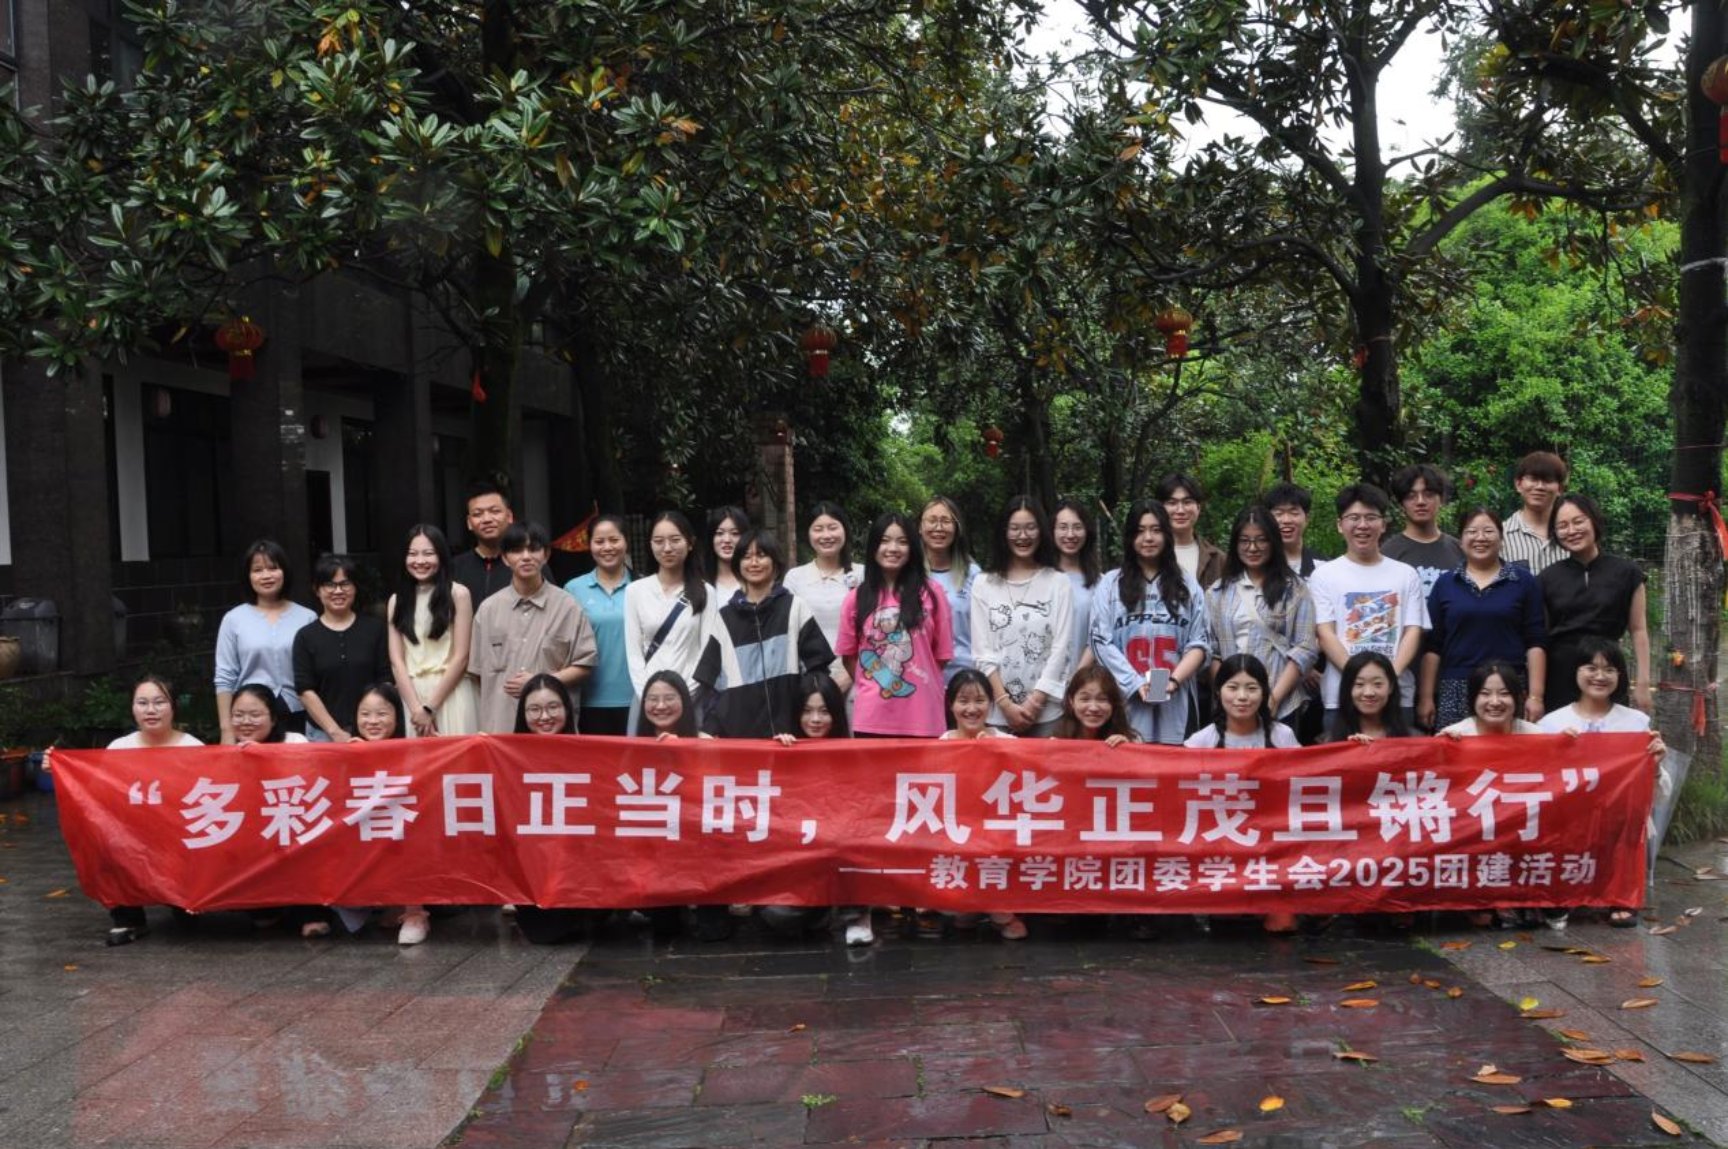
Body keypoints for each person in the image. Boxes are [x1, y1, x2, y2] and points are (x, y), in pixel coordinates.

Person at [1538, 638, 1668, 928]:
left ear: (1619, 675)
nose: (1599, 676)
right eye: (1591, 667)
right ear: (1575, 671)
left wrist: (1656, 765)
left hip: (1618, 822)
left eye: (1609, 669)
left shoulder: (1636, 722)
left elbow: (1655, 794)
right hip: (1569, 822)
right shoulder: (1551, 723)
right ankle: (1561, 893)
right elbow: (1537, 782)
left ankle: (1620, 896)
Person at [1309, 484, 1428, 735]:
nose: (1362, 525)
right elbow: (1325, 633)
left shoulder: (1405, 574)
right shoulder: (1323, 575)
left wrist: (1387, 678)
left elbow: (1413, 631)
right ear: (1340, 525)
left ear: (1383, 524)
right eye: (1354, 518)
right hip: (1342, 697)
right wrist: (1360, 679)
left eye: (1371, 517)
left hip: (1397, 696)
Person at [1090, 500, 1211, 745]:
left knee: (1177, 765)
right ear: (1130, 537)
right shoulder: (1110, 584)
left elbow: (1200, 642)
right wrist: (1134, 683)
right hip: (1125, 700)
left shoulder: (1187, 585)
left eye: (1156, 530)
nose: (1148, 538)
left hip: (1178, 704)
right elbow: (1100, 641)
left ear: (1167, 534)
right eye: (1140, 531)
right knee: (1128, 763)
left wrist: (1173, 681)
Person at [695, 529, 835, 738]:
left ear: (775, 562)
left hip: (791, 735)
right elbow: (710, 684)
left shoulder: (794, 608)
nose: (754, 563)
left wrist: (806, 719)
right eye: (746, 557)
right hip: (742, 737)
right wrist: (710, 729)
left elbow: (818, 670)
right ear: (738, 564)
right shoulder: (725, 618)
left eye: (761, 555)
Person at [1418, 507, 1547, 731]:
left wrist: (1536, 696)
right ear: (1461, 541)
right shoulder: (1446, 583)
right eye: (1471, 532)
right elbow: (1432, 647)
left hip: (1508, 687)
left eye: (1488, 531)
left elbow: (1535, 642)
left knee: (1509, 750)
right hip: (1456, 687)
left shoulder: (1523, 581)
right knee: (1456, 750)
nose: (1480, 537)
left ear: (1501, 539)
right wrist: (1426, 697)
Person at [102, 675, 204, 945]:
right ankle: (128, 917)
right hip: (133, 836)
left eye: (159, 702)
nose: (151, 710)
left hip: (179, 837)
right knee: (106, 842)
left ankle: (185, 902)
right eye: (142, 703)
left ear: (173, 707)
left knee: (189, 918)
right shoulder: (119, 748)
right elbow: (95, 793)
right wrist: (57, 768)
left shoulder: (194, 748)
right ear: (132, 708)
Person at [469, 523, 598, 734]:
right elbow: (476, 675)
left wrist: (539, 682)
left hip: (552, 728)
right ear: (505, 558)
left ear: (546, 555)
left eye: (533, 549)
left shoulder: (568, 606)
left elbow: (584, 665)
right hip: (501, 725)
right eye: (517, 550)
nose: (526, 557)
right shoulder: (488, 610)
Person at [838, 511, 954, 737]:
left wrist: (916, 674)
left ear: (912, 548)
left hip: (923, 717)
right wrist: (877, 679)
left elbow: (941, 656)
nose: (893, 548)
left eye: (902, 541)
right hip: (872, 719)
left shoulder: (932, 593)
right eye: (884, 541)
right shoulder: (856, 598)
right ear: (873, 547)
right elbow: (849, 657)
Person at [1204, 505, 1318, 728]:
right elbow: (1211, 651)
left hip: (1282, 704)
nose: (1253, 548)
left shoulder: (1295, 589)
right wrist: (1228, 696)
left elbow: (1305, 648)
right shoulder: (1217, 593)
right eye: (1245, 541)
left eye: (1261, 540)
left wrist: (1273, 699)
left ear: (1273, 542)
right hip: (1231, 706)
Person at [1540, 493, 1652, 714]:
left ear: (1594, 521)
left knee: (1610, 733)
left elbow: (1639, 630)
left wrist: (1643, 683)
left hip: (1606, 671)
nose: (1571, 530)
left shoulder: (1627, 573)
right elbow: (1540, 639)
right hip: (1560, 675)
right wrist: (1536, 693)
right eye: (1562, 525)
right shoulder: (1546, 578)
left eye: (1578, 521)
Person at [971, 497, 1073, 736]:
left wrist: (1036, 702)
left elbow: (1061, 648)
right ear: (1003, 532)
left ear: (1041, 532)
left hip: (1047, 712)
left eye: (1030, 528)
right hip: (996, 712)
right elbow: (981, 651)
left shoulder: (1059, 582)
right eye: (1015, 528)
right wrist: (1004, 704)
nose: (1023, 536)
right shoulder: (983, 583)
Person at [511, 675, 594, 944]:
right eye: (534, 709)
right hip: (534, 871)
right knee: (542, 932)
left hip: (581, 869)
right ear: (523, 714)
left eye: (553, 707)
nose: (544, 717)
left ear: (567, 709)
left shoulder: (591, 753)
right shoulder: (507, 757)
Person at [214, 539, 316, 744]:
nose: (266, 575)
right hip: (250, 719)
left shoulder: (307, 617)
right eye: (257, 570)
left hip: (298, 711)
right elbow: (225, 677)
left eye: (273, 568)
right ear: (248, 576)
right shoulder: (233, 619)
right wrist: (226, 729)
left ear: (284, 572)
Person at [387, 524, 479, 738]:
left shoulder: (458, 594)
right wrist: (416, 709)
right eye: (412, 554)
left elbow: (461, 657)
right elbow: (397, 661)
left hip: (452, 692)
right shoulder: (396, 600)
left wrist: (430, 708)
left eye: (428, 553)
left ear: (442, 556)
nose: (419, 561)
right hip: (412, 696)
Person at [293, 553, 391, 742]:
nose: (338, 591)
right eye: (330, 585)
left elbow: (386, 680)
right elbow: (305, 690)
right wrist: (335, 732)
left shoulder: (375, 629)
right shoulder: (305, 636)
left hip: (372, 731)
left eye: (345, 584)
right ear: (317, 590)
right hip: (322, 735)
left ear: (355, 587)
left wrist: (375, 722)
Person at [624, 511, 720, 704]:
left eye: (675, 540)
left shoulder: (705, 592)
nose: (667, 548)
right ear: (650, 545)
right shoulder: (635, 591)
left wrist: (683, 696)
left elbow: (707, 651)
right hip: (648, 700)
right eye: (658, 541)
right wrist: (649, 697)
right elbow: (634, 654)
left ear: (690, 543)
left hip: (692, 699)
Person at [563, 514, 635, 735]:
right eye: (599, 541)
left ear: (626, 542)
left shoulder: (642, 586)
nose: (607, 547)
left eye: (614, 540)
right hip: (588, 699)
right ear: (589, 545)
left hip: (637, 696)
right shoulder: (573, 589)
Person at [782, 501, 862, 695]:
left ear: (845, 530)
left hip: (857, 678)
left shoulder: (863, 575)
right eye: (818, 529)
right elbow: (789, 634)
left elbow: (874, 635)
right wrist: (813, 683)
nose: (826, 535)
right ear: (809, 534)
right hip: (808, 682)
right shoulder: (795, 578)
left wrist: (848, 676)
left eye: (833, 528)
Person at [1381, 464, 1467, 598]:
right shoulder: (1388, 554)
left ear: (1441, 499)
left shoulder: (1461, 550)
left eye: (1429, 495)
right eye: (1411, 496)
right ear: (1401, 504)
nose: (1420, 502)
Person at [920, 496, 980, 684]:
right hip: (920, 677)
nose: (938, 528)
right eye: (932, 520)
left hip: (965, 677)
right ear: (920, 527)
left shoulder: (973, 574)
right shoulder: (908, 574)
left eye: (946, 521)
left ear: (956, 528)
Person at [1184, 653, 1299, 749]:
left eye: (1252, 688)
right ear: (1218, 691)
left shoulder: (1282, 736)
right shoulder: (1200, 742)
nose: (1242, 696)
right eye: (1233, 688)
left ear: (1263, 693)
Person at [1051, 498, 1100, 673]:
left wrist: (1077, 680)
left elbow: (1099, 637)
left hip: (1083, 680)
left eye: (1077, 527)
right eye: (1063, 527)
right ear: (1052, 531)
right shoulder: (1039, 578)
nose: (1070, 534)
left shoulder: (1100, 583)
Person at [1500, 451, 1569, 574]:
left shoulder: (1572, 535)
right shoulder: (1500, 536)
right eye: (1533, 479)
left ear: (1560, 489)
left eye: (1548, 480)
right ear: (1518, 484)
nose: (1539, 487)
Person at [450, 480, 517, 606]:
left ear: (509, 516)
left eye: (495, 511)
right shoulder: (455, 568)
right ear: (469, 523)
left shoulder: (527, 563)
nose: (487, 519)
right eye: (478, 514)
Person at [1440, 661, 1545, 737]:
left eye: (1504, 693)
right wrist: (1443, 746)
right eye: (1485, 693)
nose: (1495, 702)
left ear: (1518, 698)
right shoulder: (1454, 735)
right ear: (1473, 698)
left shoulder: (1536, 735)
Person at [1156, 472, 1225, 588]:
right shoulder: (1149, 555)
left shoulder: (1218, 560)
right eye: (1172, 503)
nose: (1180, 510)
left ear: (1198, 508)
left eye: (1187, 502)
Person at [1329, 652, 1412, 743]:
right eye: (1359, 684)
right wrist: (1351, 748)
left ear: (1391, 687)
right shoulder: (1328, 741)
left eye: (1377, 684)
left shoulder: (1413, 739)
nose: (1368, 693)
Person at [1052, 665, 1138, 747]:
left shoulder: (1132, 741)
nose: (1094, 708)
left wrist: (1128, 748)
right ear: (1071, 701)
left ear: (1113, 702)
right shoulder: (1057, 741)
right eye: (1085, 699)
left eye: (1102, 699)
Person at [1264, 481, 1322, 577]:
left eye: (1294, 513)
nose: (1286, 520)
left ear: (1307, 519)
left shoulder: (1323, 566)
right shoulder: (1257, 565)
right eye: (1279, 514)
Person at [941, 668, 1015, 741]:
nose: (972, 709)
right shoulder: (941, 744)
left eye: (979, 701)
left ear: (990, 702)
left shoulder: (1009, 742)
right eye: (963, 701)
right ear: (951, 704)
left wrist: (995, 746)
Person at [634, 670, 711, 739]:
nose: (661, 706)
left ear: (684, 700)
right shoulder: (634, 744)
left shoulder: (704, 741)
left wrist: (677, 745)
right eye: (653, 699)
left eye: (669, 698)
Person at [228, 682, 309, 745]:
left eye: (255, 715)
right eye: (238, 715)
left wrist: (262, 753)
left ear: (273, 719)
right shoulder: (227, 750)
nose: (246, 722)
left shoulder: (294, 742)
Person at [706, 505, 752, 601]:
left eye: (735, 533)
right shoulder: (699, 582)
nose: (727, 540)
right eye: (719, 533)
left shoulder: (757, 579)